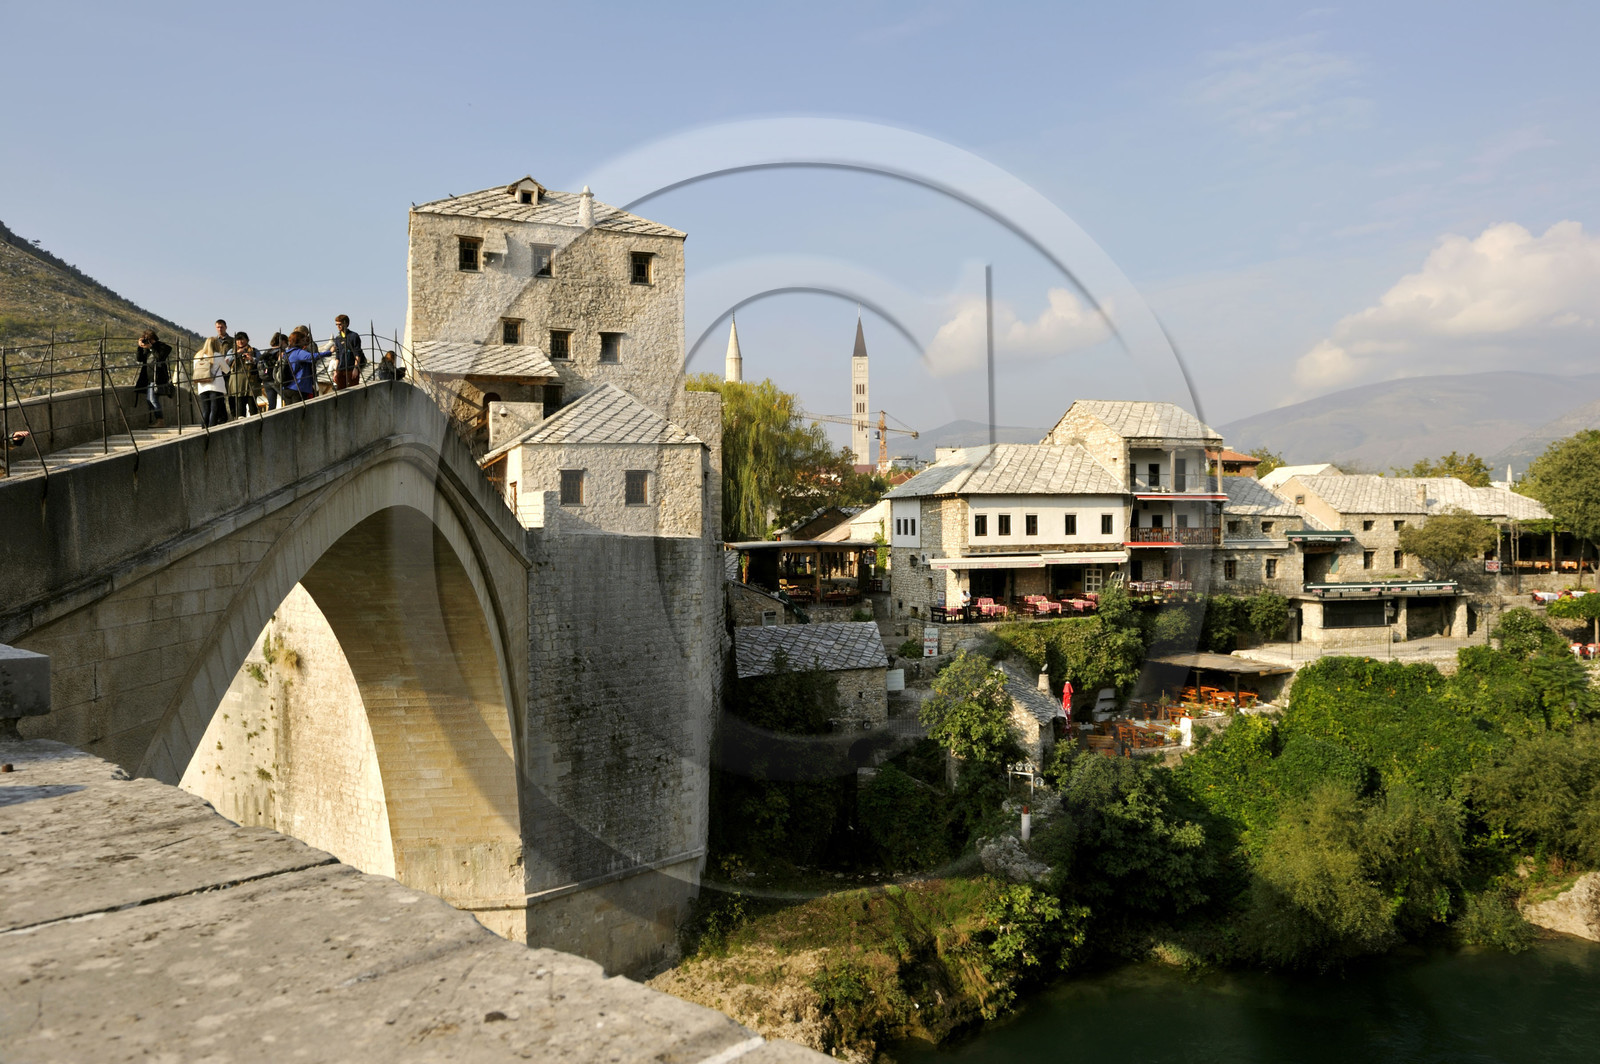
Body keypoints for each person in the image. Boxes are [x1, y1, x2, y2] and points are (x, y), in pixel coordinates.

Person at [132, 329, 172, 426]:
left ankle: (160, 421)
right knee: (149, 399)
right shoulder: (146, 348)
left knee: (152, 399)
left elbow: (159, 357)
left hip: (157, 378)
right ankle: (158, 420)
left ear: (152, 339)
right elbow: (139, 359)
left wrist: (151, 347)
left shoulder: (163, 347)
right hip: (147, 378)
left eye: (148, 339)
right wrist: (140, 347)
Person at [193, 337, 232, 427]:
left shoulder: (198, 356)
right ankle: (212, 428)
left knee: (206, 409)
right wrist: (224, 362)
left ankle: (204, 428)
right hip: (216, 386)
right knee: (214, 409)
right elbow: (226, 370)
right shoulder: (217, 355)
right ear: (216, 345)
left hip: (202, 386)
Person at [227, 332, 261, 418]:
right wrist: (237, 353)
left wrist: (251, 358)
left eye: (242, 339)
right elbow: (226, 362)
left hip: (251, 381)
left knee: (252, 405)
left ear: (247, 340)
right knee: (240, 405)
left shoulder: (254, 350)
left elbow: (261, 362)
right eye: (238, 340)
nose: (240, 342)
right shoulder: (232, 351)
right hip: (237, 382)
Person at [283, 327, 320, 404]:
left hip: (307, 378)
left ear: (305, 334)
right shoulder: (292, 347)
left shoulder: (311, 345)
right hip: (293, 380)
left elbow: (313, 358)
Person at [330, 314, 365, 389]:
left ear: (346, 323)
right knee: (340, 391)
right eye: (336, 324)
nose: (338, 326)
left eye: (340, 324)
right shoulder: (338, 338)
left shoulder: (354, 336)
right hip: (341, 369)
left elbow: (357, 354)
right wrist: (336, 371)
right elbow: (337, 356)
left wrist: (356, 368)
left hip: (351, 368)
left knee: (353, 390)